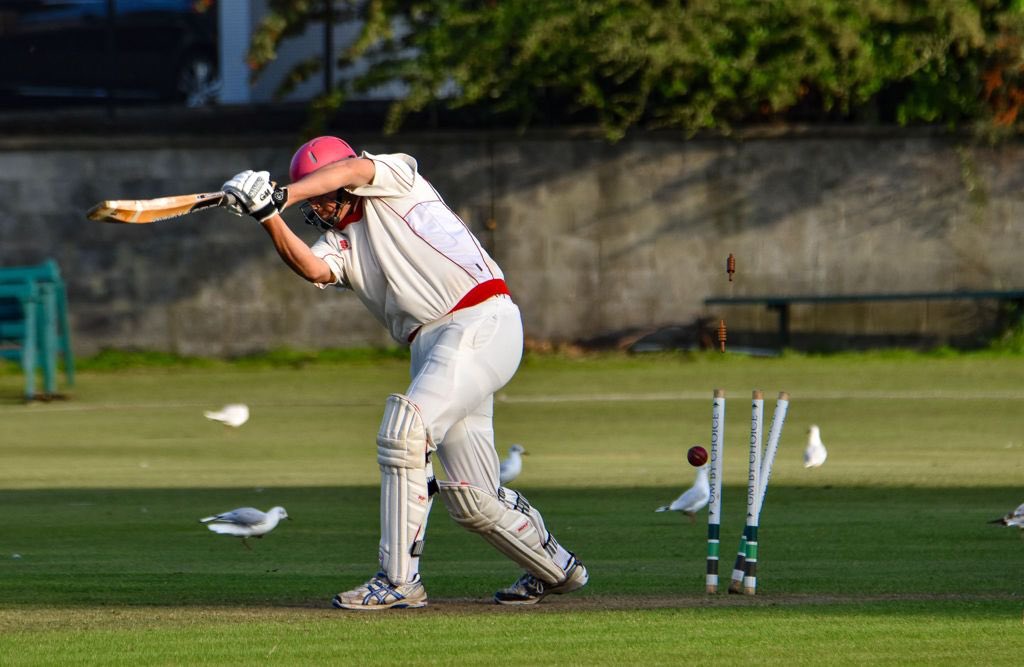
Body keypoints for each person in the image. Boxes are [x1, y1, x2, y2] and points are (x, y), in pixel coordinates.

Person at [221, 136, 588, 610]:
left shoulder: (395, 179)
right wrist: (267, 216)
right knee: (473, 499)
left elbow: (352, 170)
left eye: (319, 196)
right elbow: (314, 269)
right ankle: (557, 569)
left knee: (405, 431)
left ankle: (398, 579)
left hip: (478, 320)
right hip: (432, 346)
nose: (316, 207)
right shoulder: (340, 241)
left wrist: (283, 194)